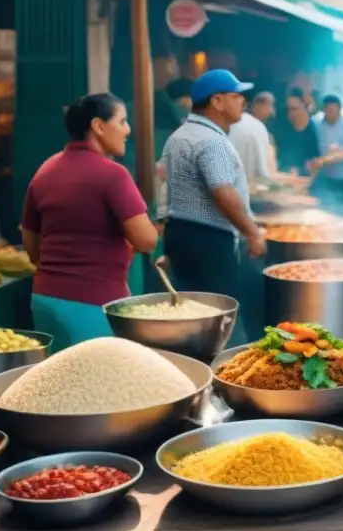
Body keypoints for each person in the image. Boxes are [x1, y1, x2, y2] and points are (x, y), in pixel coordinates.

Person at [21, 94, 158, 352]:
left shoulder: (45, 170)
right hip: (92, 304)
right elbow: (146, 240)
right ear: (98, 126)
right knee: (98, 387)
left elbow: (31, 245)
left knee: (56, 385)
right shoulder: (113, 174)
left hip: (43, 300)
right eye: (122, 121)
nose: (127, 130)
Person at [162, 69, 266, 345]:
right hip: (209, 241)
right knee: (220, 321)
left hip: (181, 234)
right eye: (236, 96)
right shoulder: (211, 140)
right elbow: (221, 190)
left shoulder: (181, 135)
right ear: (217, 101)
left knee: (191, 317)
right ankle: (222, 378)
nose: (243, 101)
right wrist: (252, 232)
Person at [228, 92, 273, 182]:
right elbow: (263, 172)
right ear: (257, 106)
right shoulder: (258, 128)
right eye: (268, 107)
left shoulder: (230, 124)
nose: (270, 111)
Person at [276, 88, 321, 176]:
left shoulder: (315, 129)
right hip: (285, 177)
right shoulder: (282, 128)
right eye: (288, 109)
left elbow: (317, 159)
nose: (291, 113)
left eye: (294, 109)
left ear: (304, 107)